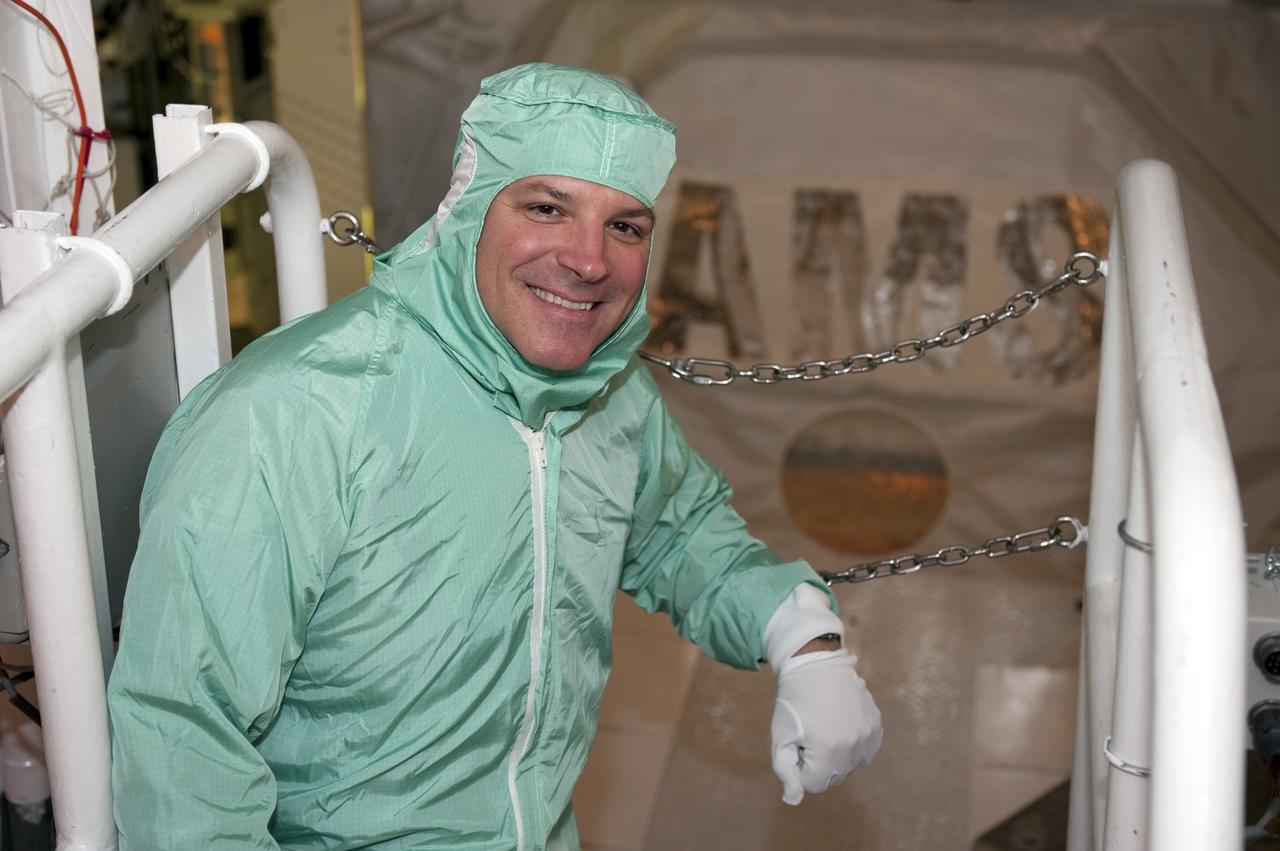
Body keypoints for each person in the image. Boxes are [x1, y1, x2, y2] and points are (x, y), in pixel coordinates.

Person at [107, 63, 882, 850]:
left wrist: (803, 638)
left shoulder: (610, 395)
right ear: (472, 208)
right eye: (547, 207)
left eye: (625, 226)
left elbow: (681, 534)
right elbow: (183, 741)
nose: (590, 260)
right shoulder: (294, 413)